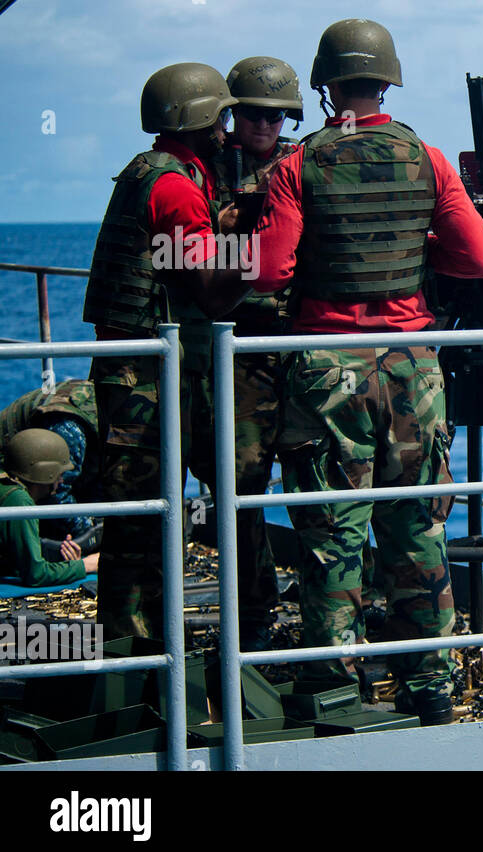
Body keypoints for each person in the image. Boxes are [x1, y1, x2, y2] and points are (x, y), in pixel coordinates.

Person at [251, 18, 483, 724]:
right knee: (418, 525)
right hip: (414, 372)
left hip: (327, 372)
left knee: (333, 533)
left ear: (326, 87)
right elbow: (480, 259)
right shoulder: (429, 158)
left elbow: (270, 272)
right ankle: (432, 687)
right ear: (388, 81)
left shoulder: (299, 167)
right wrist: (420, 263)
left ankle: (334, 688)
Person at [82, 62, 254, 640]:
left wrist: (216, 228)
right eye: (222, 116)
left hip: (135, 366)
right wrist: (254, 257)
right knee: (145, 518)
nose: (228, 129)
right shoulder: (178, 188)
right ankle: (140, 655)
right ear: (199, 118)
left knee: (140, 512)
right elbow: (207, 289)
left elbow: (172, 261)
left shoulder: (148, 171)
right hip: (146, 379)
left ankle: (134, 651)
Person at [204, 56, 306, 650]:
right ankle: (253, 608)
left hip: (294, 340)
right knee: (240, 484)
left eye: (275, 115)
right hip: (237, 345)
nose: (264, 125)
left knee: (318, 475)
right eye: (252, 114)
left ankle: (334, 599)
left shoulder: (302, 166)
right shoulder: (208, 170)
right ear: (231, 114)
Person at [0, 379, 100, 544]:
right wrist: (91, 534)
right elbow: (56, 491)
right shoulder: (70, 427)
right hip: (14, 483)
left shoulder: (99, 400)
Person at [0, 429, 99, 586]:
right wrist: (86, 565)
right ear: (44, 472)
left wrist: (67, 564)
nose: (61, 480)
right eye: (59, 473)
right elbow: (35, 575)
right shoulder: (18, 500)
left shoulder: (7, 486)